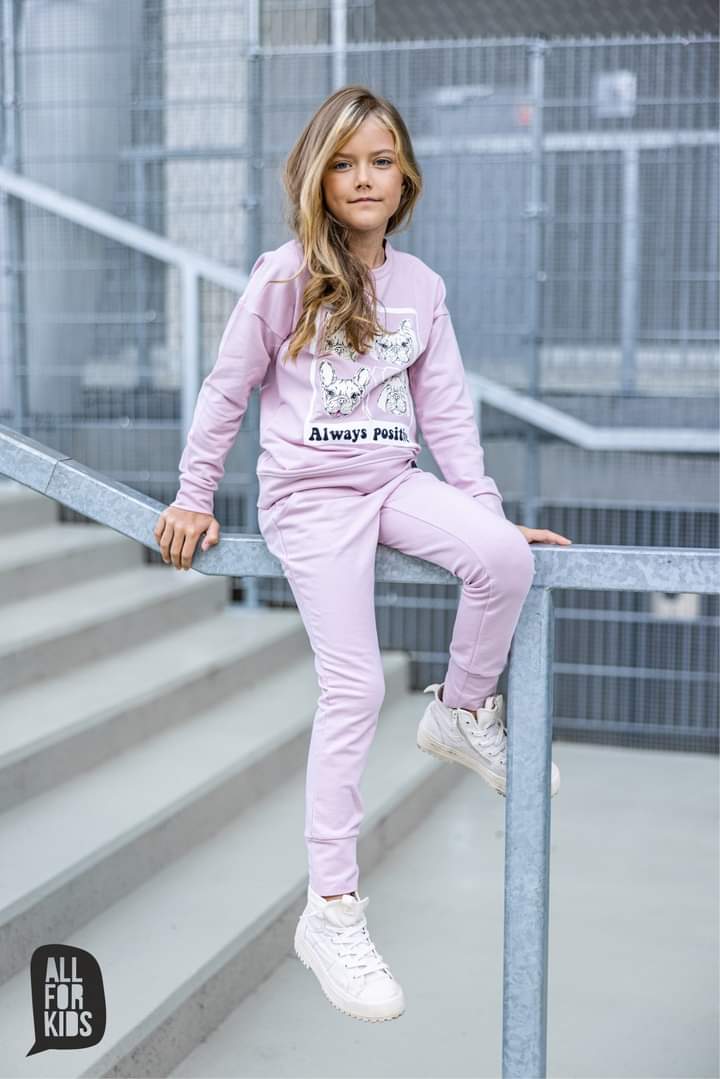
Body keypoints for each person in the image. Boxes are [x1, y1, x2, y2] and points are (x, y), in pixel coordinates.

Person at [153, 85, 572, 1024]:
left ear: (405, 176)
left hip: (393, 481)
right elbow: (226, 388)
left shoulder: (422, 288)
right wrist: (192, 493)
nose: (364, 178)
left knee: (505, 560)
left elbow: (448, 414)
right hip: (309, 499)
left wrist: (485, 512)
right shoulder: (283, 277)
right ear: (318, 177)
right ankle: (332, 910)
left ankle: (463, 712)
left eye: (381, 161)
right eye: (343, 163)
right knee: (356, 687)